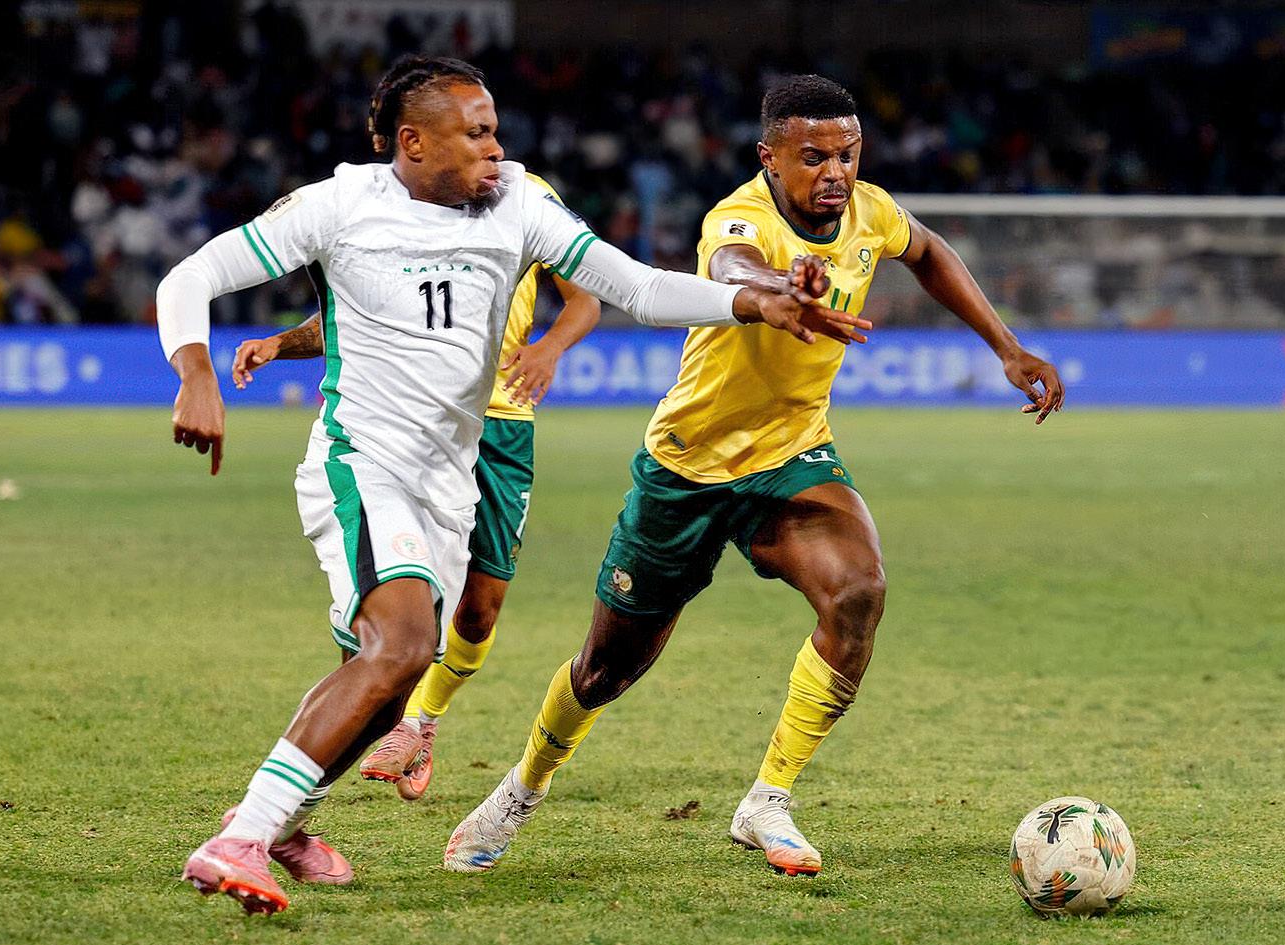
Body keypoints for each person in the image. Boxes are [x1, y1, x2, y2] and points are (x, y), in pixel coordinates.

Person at [158, 56, 866, 915]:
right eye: (477, 133)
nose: (497, 148)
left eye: (496, 130)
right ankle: (238, 839)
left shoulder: (519, 204)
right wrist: (195, 372)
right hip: (364, 461)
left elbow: (637, 287)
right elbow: (190, 276)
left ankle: (283, 822)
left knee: (381, 686)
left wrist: (756, 302)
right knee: (400, 648)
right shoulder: (338, 206)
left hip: (451, 481)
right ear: (414, 143)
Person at [444, 74, 1065, 878]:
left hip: (791, 455)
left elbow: (928, 251)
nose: (835, 172)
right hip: (687, 466)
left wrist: (1007, 348)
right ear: (769, 157)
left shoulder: (870, 211)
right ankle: (523, 786)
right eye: (814, 157)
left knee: (859, 591)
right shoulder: (737, 216)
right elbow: (734, 263)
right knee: (606, 668)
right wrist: (780, 285)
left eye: (847, 153)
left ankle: (767, 799)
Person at [230, 171, 602, 802]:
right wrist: (279, 344)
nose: (483, 145)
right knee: (403, 595)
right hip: (417, 421)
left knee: (479, 608)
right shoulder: (394, 202)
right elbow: (359, 320)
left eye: (485, 130)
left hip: (503, 425)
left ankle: (422, 721)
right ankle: (394, 720)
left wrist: (549, 348)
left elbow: (585, 299)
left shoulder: (526, 197)